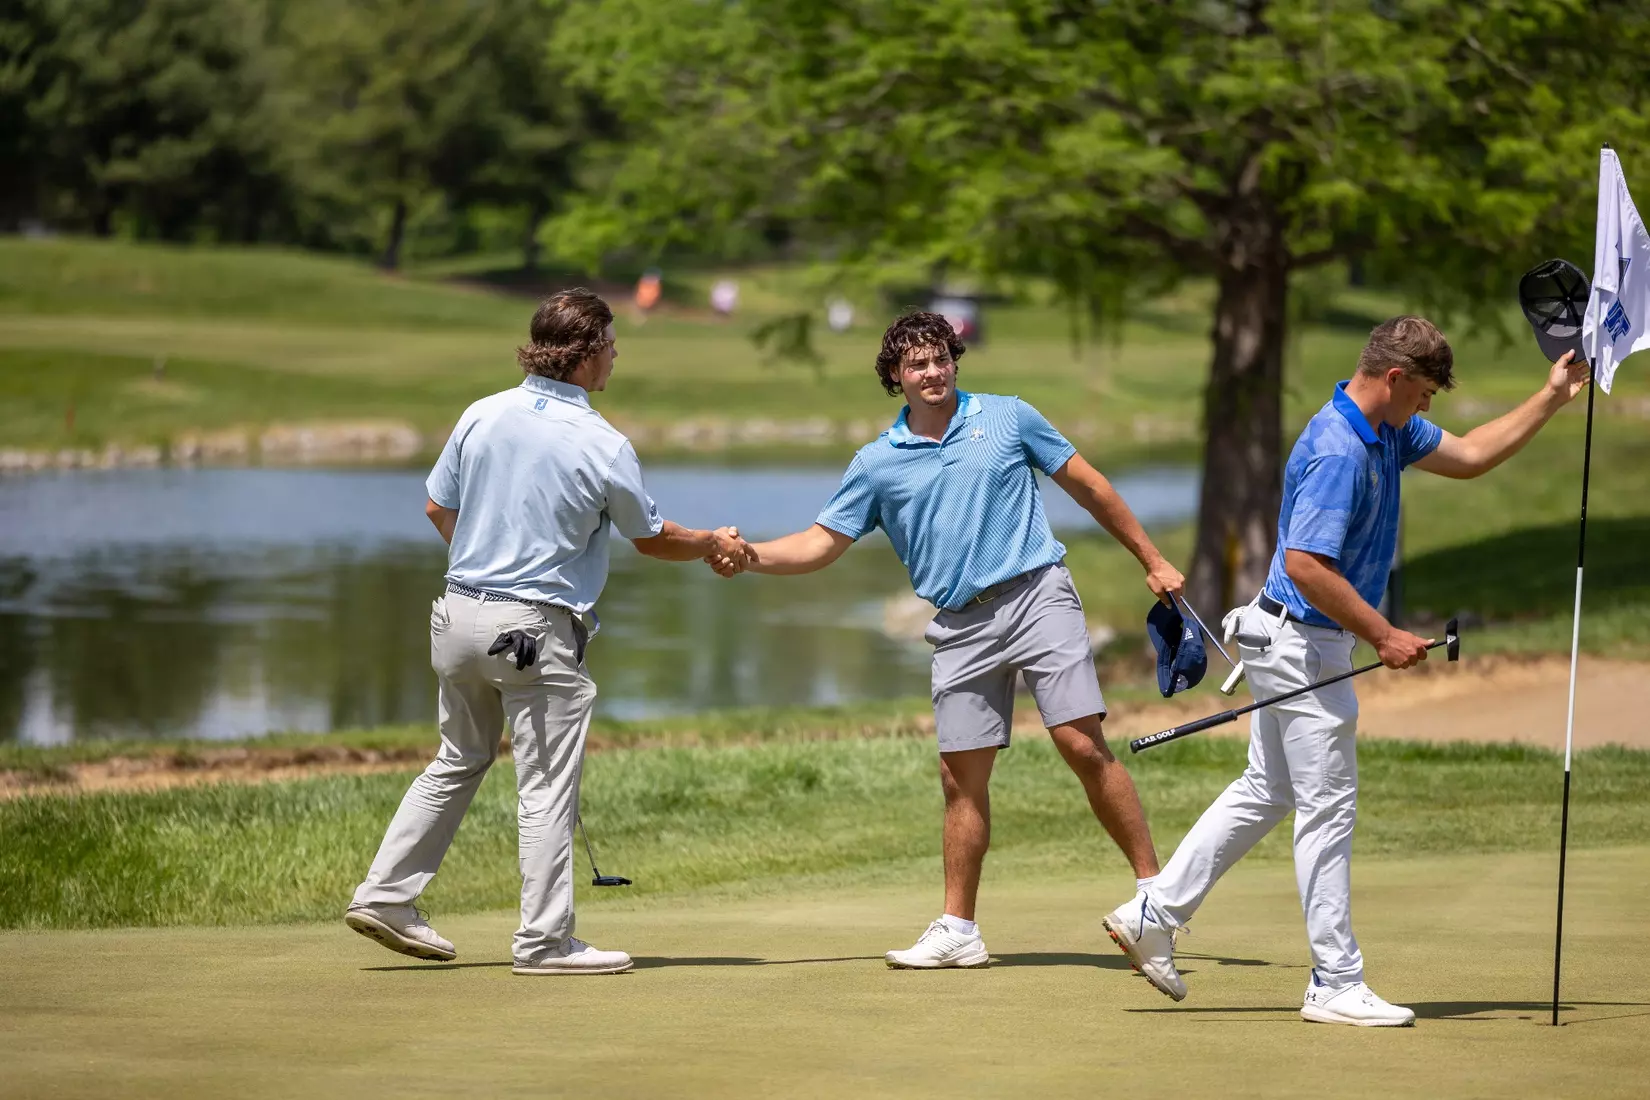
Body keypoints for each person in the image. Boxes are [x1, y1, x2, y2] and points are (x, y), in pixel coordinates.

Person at [1104, 317, 1590, 1025]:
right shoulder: (1338, 447)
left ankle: (1153, 913)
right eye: (1422, 393)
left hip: (1293, 638)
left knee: (1267, 791)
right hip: (1302, 640)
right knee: (1327, 808)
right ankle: (1334, 979)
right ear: (1393, 379)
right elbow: (1306, 563)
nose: (1427, 408)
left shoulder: (1387, 430)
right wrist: (1384, 633)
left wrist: (1551, 395)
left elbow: (1475, 454)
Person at [707, 310, 1186, 979]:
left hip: (1036, 592)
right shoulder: (876, 464)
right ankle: (959, 929)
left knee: (1080, 742)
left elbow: (1088, 485)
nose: (931, 373)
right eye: (916, 364)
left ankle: (1155, 901)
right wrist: (749, 555)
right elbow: (820, 544)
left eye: (940, 359)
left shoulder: (1009, 417)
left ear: (955, 361)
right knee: (959, 780)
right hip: (960, 625)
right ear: (895, 377)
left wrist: (1151, 558)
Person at [344, 289, 752, 976]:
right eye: (611, 344)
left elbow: (438, 506)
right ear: (587, 351)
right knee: (545, 788)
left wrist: (488, 563)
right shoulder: (601, 440)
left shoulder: (482, 413)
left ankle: (385, 895)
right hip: (533, 631)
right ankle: (544, 943)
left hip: (458, 615)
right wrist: (715, 539)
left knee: (456, 758)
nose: (618, 354)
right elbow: (651, 539)